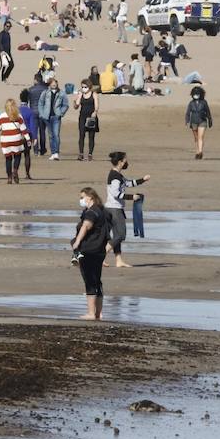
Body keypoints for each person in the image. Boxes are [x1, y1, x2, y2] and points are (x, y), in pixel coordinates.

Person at [70, 187, 110, 320]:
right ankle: (98, 313)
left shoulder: (92, 212)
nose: (81, 200)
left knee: (90, 280)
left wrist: (77, 242)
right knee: (97, 280)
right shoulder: (102, 210)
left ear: (90, 197)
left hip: (89, 249)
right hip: (100, 250)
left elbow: (86, 226)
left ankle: (91, 313)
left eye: (82, 197)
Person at [105, 151, 149, 268]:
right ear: (120, 162)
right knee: (120, 235)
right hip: (114, 209)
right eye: (125, 160)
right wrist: (131, 197)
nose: (126, 162)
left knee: (116, 236)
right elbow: (115, 193)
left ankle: (118, 260)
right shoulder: (114, 176)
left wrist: (143, 179)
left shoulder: (119, 175)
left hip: (114, 208)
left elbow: (128, 183)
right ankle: (101, 254)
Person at [0, 99, 31, 184]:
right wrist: (28, 139)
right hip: (16, 138)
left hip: (5, 139)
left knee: (8, 159)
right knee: (17, 156)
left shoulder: (2, 116)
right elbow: (23, 129)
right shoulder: (18, 116)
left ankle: (9, 177)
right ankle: (15, 170)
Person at [37, 76, 70, 161]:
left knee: (56, 135)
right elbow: (40, 103)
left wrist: (61, 113)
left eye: (55, 83)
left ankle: (56, 153)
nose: (54, 84)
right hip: (47, 117)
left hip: (56, 117)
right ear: (49, 84)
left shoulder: (61, 93)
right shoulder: (45, 93)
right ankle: (53, 153)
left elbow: (65, 105)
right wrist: (42, 114)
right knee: (51, 136)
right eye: (52, 83)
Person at [73, 80, 100, 161]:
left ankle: (90, 154)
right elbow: (76, 106)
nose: (84, 88)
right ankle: (81, 153)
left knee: (91, 136)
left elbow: (96, 106)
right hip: (82, 117)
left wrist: (95, 112)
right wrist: (76, 99)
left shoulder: (94, 94)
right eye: (82, 87)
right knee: (81, 135)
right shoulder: (81, 94)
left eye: (85, 87)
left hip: (91, 117)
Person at [185, 85, 213, 159]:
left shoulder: (204, 102)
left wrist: (210, 120)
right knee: (196, 138)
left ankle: (200, 152)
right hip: (193, 122)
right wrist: (187, 120)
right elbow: (188, 112)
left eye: (197, 93)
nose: (196, 95)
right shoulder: (191, 103)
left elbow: (208, 112)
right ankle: (197, 151)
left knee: (200, 137)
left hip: (202, 121)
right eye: (195, 93)